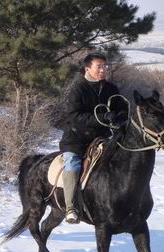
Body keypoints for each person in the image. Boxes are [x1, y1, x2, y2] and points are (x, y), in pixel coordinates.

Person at [59, 52, 126, 223]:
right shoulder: (77, 89)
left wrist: (119, 118)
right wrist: (102, 118)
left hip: (102, 137)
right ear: (87, 68)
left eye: (105, 66)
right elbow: (75, 117)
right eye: (99, 66)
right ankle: (70, 207)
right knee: (72, 162)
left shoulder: (111, 88)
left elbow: (121, 109)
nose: (103, 69)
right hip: (76, 138)